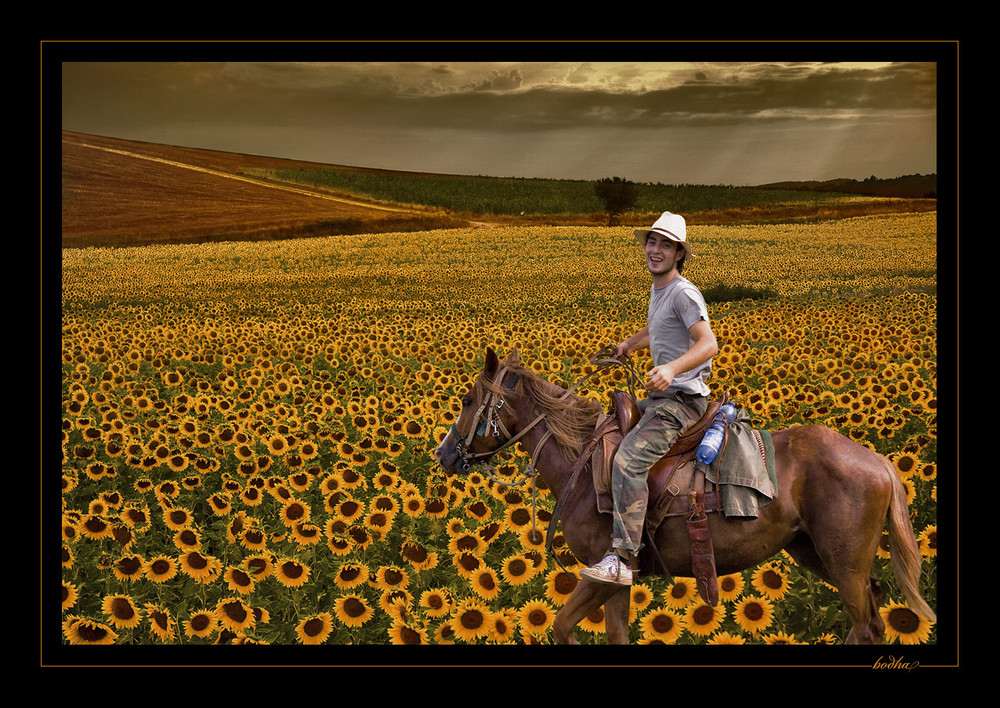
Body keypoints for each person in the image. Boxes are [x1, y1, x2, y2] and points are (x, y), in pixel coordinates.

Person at [580, 211, 718, 586]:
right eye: (652, 242)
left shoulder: (685, 292)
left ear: (679, 254)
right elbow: (657, 327)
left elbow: (709, 343)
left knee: (628, 459)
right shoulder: (660, 291)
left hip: (681, 404)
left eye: (666, 245)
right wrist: (628, 345)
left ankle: (624, 557)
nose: (656, 250)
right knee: (603, 430)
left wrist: (672, 369)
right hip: (660, 400)